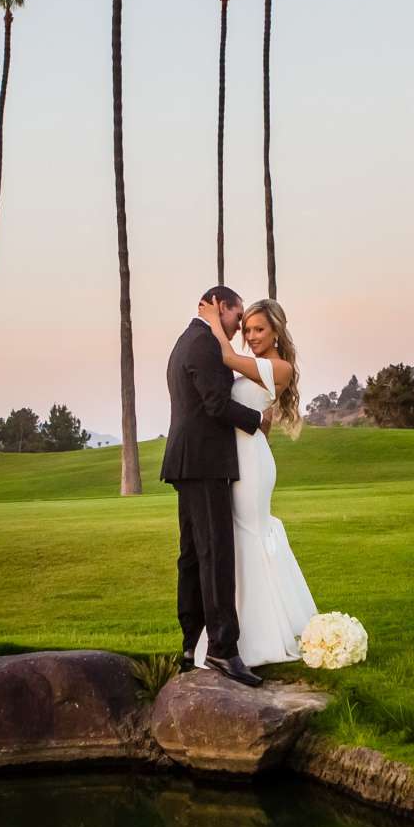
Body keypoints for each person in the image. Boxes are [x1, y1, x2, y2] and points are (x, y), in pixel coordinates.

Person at [192, 298, 320, 666]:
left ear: (276, 330)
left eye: (259, 329)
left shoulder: (278, 366)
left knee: (248, 534)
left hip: (252, 464)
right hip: (239, 458)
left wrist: (213, 321)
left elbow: (229, 359)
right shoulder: (260, 366)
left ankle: (256, 639)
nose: (251, 335)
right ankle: (239, 632)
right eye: (247, 329)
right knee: (241, 538)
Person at [163, 286, 264, 687]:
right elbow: (216, 405)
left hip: (188, 461)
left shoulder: (188, 339)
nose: (239, 327)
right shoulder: (203, 343)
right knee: (215, 554)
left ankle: (192, 644)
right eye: (237, 318)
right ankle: (222, 649)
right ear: (221, 307)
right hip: (204, 462)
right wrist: (257, 422)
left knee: (191, 555)